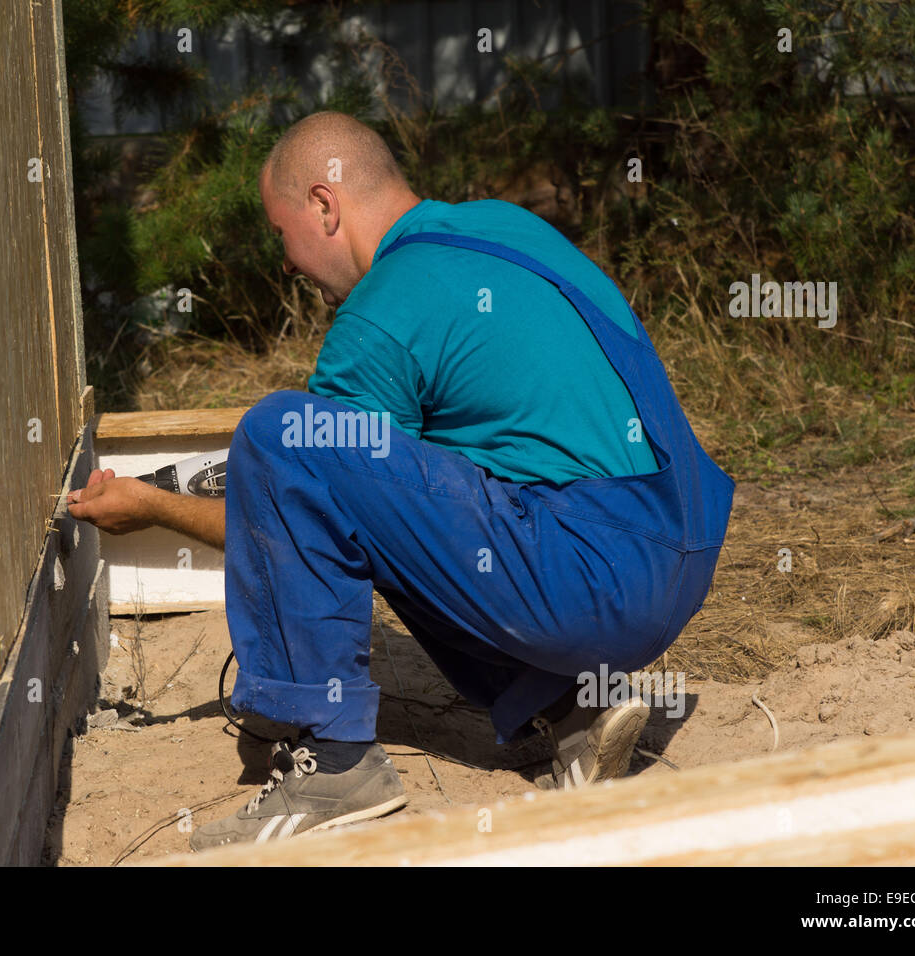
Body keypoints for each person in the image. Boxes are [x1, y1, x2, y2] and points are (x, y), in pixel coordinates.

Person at [68, 111, 734, 852]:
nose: (287, 262)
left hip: (593, 580)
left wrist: (157, 508)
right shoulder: (503, 227)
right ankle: (574, 709)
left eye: (281, 234)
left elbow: (294, 519)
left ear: (325, 205)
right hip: (679, 555)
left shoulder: (382, 311)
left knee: (279, 433)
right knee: (414, 499)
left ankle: (337, 768)